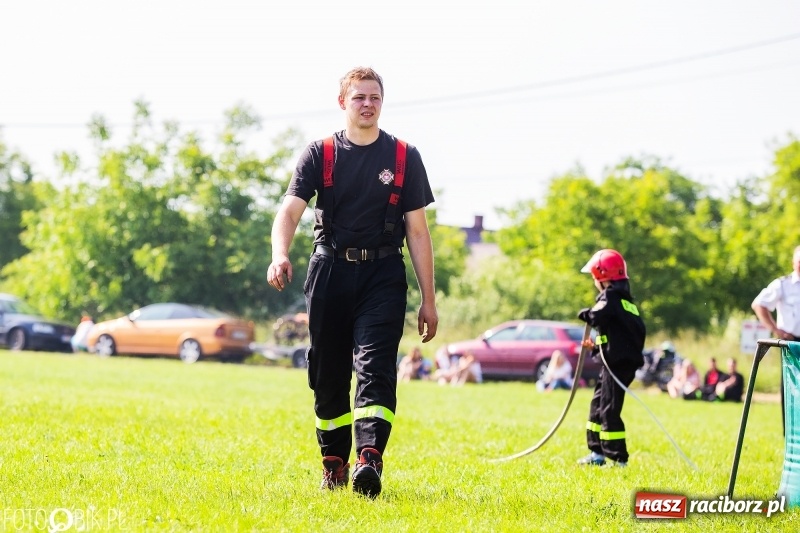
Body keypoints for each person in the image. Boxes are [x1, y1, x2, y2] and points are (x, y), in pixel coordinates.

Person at [266, 67, 438, 498]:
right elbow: (289, 212)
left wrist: (428, 301)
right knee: (328, 372)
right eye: (359, 97)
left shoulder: (404, 157)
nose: (367, 104)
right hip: (330, 271)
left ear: (382, 102)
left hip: (383, 273)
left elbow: (418, 232)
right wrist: (279, 254)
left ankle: (369, 459)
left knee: (376, 366)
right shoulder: (319, 153)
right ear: (343, 102)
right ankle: (334, 462)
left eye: (375, 98)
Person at [576, 249, 646, 467]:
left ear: (601, 276)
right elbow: (619, 338)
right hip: (619, 363)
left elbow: (596, 315)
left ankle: (618, 458)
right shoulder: (627, 303)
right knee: (598, 406)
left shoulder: (611, 297)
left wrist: (584, 314)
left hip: (617, 365)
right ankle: (596, 453)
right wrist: (596, 345)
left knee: (609, 409)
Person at [751, 245, 800, 342]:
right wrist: (776, 330)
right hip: (791, 343)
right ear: (793, 264)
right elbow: (758, 304)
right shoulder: (783, 284)